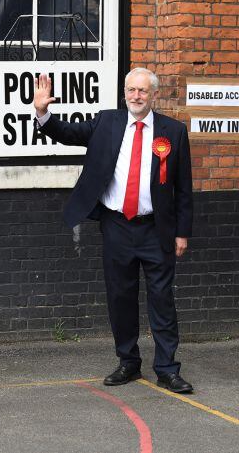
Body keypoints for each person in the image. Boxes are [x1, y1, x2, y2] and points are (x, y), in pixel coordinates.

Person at [33, 67, 194, 393]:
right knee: (120, 298)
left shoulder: (173, 132)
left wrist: (182, 232)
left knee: (162, 299)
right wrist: (42, 112)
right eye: (131, 90)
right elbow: (67, 133)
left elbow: (184, 188)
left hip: (156, 229)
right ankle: (128, 363)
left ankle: (167, 368)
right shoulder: (106, 122)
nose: (136, 96)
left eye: (143, 91)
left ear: (154, 95)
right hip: (117, 226)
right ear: (124, 92)